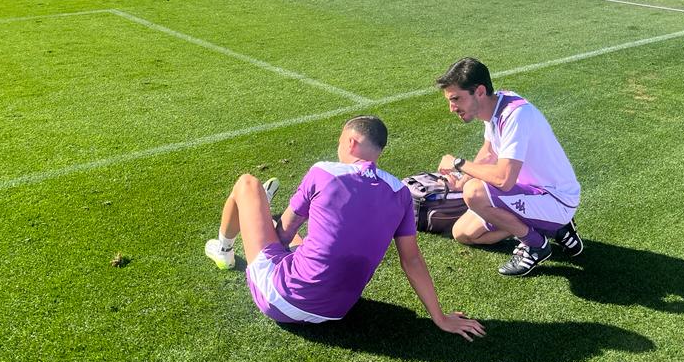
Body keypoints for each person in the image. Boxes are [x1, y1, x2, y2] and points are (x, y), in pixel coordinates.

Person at [206, 116, 485, 340]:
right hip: (336, 310)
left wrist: (263, 226)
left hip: (281, 298)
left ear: (351, 142)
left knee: (247, 184)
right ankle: (261, 217)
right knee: (304, 243)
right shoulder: (400, 192)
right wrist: (440, 317)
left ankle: (224, 249)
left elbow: (285, 233)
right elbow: (411, 260)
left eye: (339, 142)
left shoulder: (323, 171)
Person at [435, 58, 583, 277]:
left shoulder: (516, 115)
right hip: (530, 194)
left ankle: (536, 244)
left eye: (456, 99)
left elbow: (504, 180)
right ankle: (550, 227)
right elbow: (489, 152)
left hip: (555, 199)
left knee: (474, 193)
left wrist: (459, 163)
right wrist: (461, 179)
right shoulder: (496, 106)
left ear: (480, 91)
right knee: (463, 233)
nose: (452, 108)